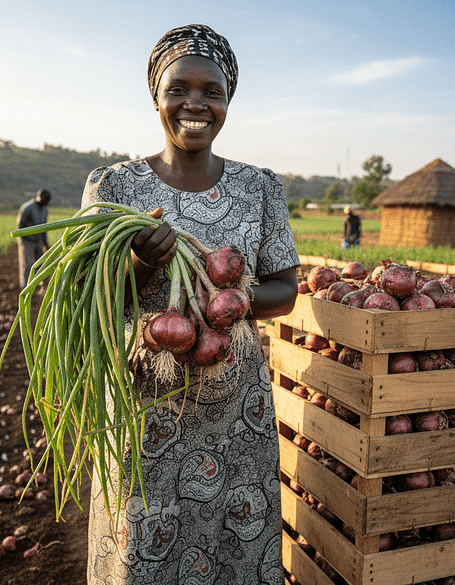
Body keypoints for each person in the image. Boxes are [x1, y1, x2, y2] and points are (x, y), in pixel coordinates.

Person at [80, 25, 298, 585]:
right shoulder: (112, 188)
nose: (195, 104)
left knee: (236, 546)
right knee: (145, 550)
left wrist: (233, 299)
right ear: (157, 95)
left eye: (212, 91)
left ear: (228, 101)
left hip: (237, 413)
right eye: (179, 88)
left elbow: (286, 289)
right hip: (142, 406)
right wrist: (145, 264)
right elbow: (87, 299)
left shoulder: (261, 188)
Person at [16, 189, 52, 287]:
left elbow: (44, 227)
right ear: (40, 198)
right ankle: (26, 286)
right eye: (46, 200)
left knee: (40, 263)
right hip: (27, 241)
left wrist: (46, 244)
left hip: (38, 241)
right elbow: (20, 226)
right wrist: (23, 240)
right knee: (27, 264)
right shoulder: (28, 208)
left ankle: (39, 284)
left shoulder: (45, 209)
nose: (47, 203)